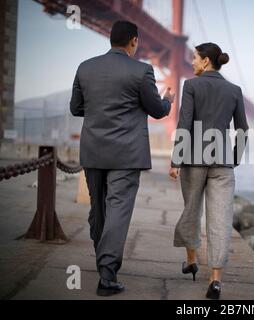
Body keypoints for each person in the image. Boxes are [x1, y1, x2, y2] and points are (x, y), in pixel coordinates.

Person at [70, 20, 175, 296]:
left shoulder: (85, 67)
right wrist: (168, 100)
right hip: (126, 154)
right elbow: (156, 110)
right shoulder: (142, 71)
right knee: (118, 210)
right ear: (134, 41)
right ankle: (106, 276)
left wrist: (100, 111)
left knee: (99, 209)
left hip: (93, 151)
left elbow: (76, 108)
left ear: (111, 40)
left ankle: (102, 259)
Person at [169, 42, 249, 300]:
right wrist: (234, 158)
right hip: (223, 162)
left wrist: (176, 159)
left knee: (191, 210)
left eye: (194, 58)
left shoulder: (192, 86)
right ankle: (215, 281)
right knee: (221, 219)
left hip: (193, 159)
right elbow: (242, 129)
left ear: (205, 61)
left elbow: (184, 123)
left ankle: (192, 261)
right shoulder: (234, 90)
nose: (191, 62)